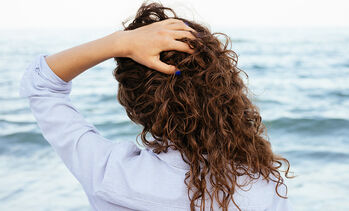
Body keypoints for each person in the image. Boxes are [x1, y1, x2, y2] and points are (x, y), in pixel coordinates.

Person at [19, 2, 293, 211]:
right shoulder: (262, 185)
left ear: (135, 105)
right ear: (224, 90)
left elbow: (41, 84)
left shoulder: (112, 177)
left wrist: (119, 43)